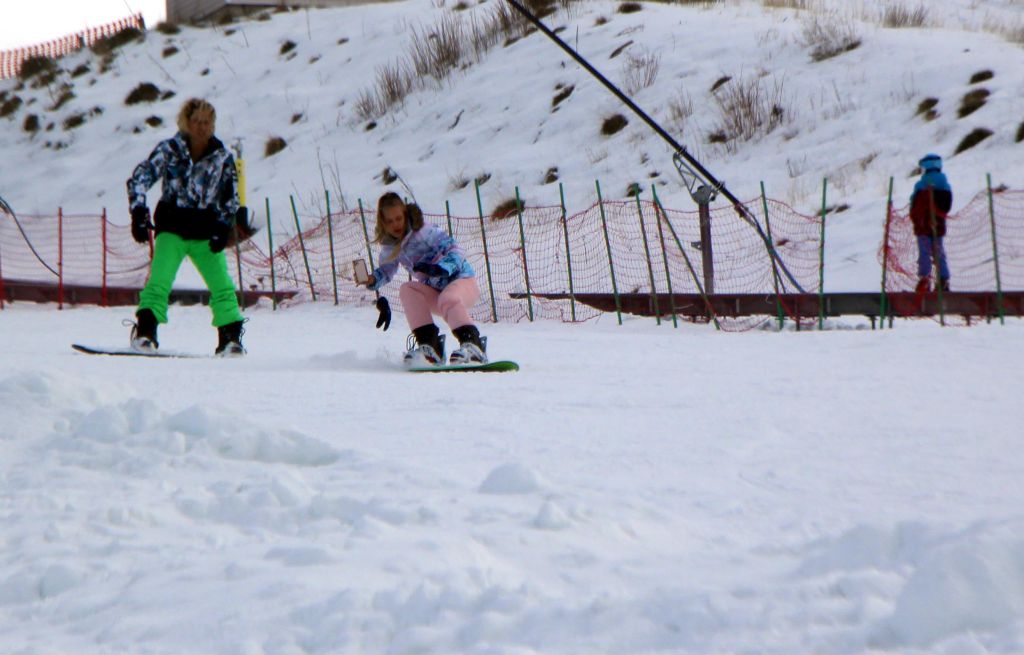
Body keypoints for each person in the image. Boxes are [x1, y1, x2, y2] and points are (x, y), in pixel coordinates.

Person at [126, 97, 247, 356]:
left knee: (222, 286)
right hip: (173, 227)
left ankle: (230, 338)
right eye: (196, 121)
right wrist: (138, 211)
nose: (202, 127)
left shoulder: (222, 158)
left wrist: (223, 226)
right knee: (159, 281)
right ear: (186, 123)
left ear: (213, 125)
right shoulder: (170, 150)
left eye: (207, 122)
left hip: (205, 232)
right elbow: (140, 178)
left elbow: (230, 197)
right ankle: (146, 332)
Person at [359, 192, 487, 366]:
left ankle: (474, 345)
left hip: (462, 282)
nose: (395, 224)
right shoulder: (391, 245)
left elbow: (454, 248)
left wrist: (441, 268)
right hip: (436, 292)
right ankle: (430, 347)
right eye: (389, 221)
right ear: (383, 223)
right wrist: (372, 279)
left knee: (448, 297)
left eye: (398, 218)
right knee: (407, 289)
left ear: (405, 215)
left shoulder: (424, 232)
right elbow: (386, 270)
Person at [909, 153, 953, 293]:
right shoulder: (945, 185)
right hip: (938, 225)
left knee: (924, 253)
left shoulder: (920, 185)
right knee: (939, 252)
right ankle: (943, 280)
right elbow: (946, 207)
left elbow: (914, 206)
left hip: (923, 225)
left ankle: (925, 280)